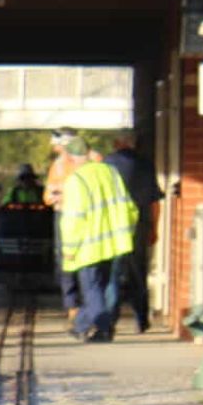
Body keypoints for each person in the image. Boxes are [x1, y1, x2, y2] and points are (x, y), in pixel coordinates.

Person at [59, 151, 138, 343]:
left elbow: (73, 220)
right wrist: (128, 233)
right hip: (113, 244)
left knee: (92, 290)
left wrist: (69, 250)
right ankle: (83, 325)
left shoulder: (76, 181)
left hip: (89, 248)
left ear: (71, 159)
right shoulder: (111, 173)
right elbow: (130, 208)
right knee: (101, 289)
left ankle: (102, 329)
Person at [103, 134, 164, 334]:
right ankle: (142, 319)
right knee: (139, 273)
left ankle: (109, 320)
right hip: (139, 225)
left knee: (113, 274)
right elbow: (154, 202)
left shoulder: (107, 164)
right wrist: (155, 227)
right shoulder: (146, 165)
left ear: (117, 143)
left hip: (113, 226)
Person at [46, 131, 89, 317]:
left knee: (82, 257)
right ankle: (72, 304)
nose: (57, 150)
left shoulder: (87, 163)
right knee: (66, 258)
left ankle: (82, 302)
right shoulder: (57, 166)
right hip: (64, 213)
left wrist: (61, 192)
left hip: (81, 213)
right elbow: (48, 196)